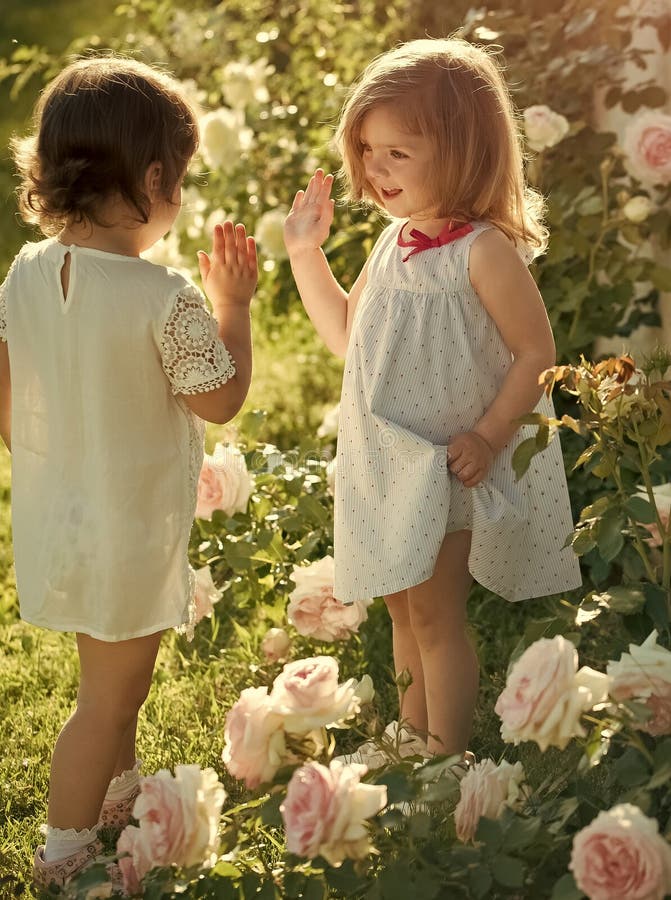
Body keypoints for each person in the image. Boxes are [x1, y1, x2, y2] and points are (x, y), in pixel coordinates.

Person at [283, 38, 582, 766]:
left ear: (461, 152)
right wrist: (304, 253)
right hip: (385, 461)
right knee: (397, 606)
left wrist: (487, 434)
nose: (375, 170)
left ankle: (446, 755)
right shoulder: (392, 243)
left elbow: (534, 353)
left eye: (397, 153)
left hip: (444, 466)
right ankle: (409, 738)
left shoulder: (482, 251)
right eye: (367, 151)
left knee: (434, 612)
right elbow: (347, 337)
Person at [0, 56, 257, 888]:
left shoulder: (25, 273)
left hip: (60, 518)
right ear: (152, 177)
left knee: (108, 679)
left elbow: (9, 398)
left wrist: (46, 454)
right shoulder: (162, 294)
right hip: (125, 526)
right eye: (177, 181)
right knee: (108, 698)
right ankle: (65, 853)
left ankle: (118, 796)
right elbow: (218, 401)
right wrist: (235, 311)